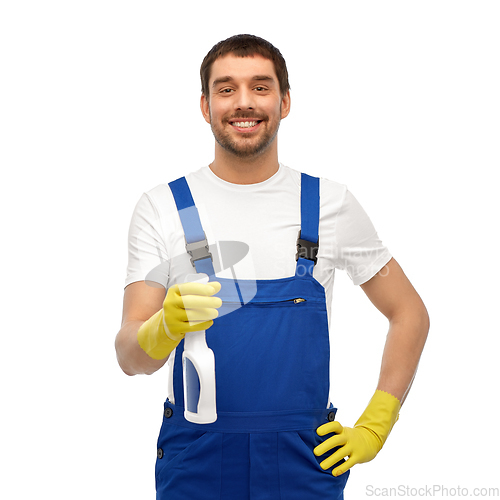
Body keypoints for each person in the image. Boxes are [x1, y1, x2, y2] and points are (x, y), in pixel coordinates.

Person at [115, 34, 429, 499]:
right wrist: (161, 328)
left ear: (284, 102)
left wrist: (376, 424)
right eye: (226, 89)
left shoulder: (329, 205)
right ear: (205, 106)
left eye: (260, 87)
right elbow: (130, 357)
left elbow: (409, 313)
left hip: (306, 456)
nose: (243, 102)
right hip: (195, 457)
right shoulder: (161, 208)